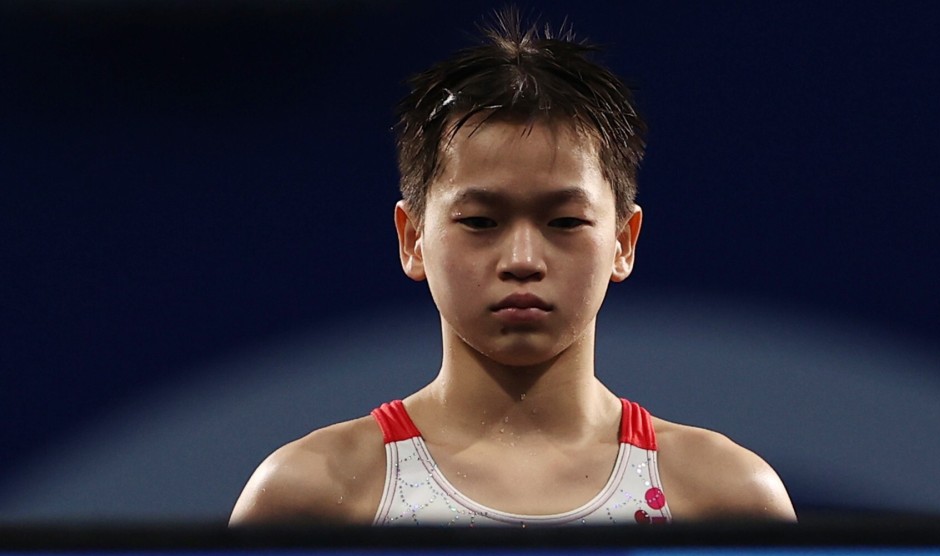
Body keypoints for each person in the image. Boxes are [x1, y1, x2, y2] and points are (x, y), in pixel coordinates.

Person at [230, 10, 796, 527]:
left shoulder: (724, 499)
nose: (522, 261)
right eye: (479, 221)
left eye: (565, 222)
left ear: (623, 242)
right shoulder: (312, 497)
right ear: (413, 239)